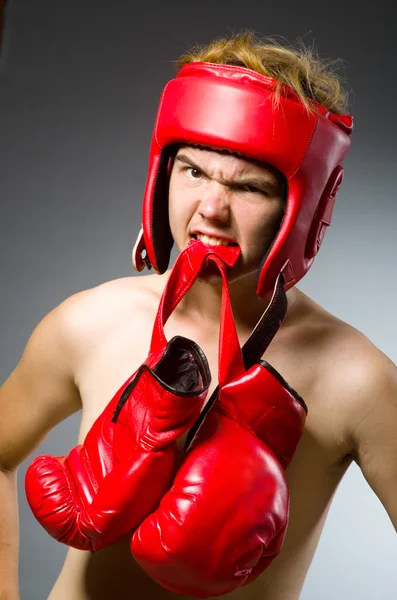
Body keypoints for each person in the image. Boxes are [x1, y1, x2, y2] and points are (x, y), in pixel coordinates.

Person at [1, 32, 396, 600]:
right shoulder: (90, 323)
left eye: (249, 187)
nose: (210, 208)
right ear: (162, 172)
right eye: (193, 172)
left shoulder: (355, 377)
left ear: (304, 208)